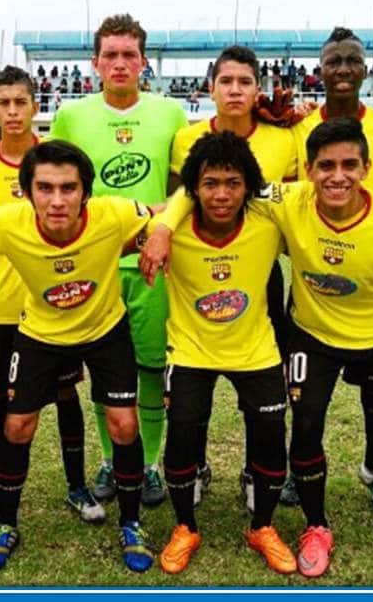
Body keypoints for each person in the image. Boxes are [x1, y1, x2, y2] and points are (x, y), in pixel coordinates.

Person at [143, 117, 373, 576]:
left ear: (367, 167)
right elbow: (194, 188)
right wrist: (164, 228)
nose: (338, 176)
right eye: (326, 166)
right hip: (314, 336)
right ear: (308, 170)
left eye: (350, 165)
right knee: (306, 425)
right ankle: (315, 526)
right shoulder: (286, 200)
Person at [0, 140, 155, 573]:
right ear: (27, 192)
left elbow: (165, 210)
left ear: (85, 192)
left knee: (124, 424)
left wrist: (158, 234)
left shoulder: (114, 213)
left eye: (68, 188)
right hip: (40, 332)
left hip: (106, 328)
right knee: (17, 425)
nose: (57, 200)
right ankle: (7, 524)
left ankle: (131, 522)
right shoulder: (6, 223)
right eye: (45, 188)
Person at [49, 13, 188, 509]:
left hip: (151, 265)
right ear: (95, 62)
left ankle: (148, 462)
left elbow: (185, 183)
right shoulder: (72, 116)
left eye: (130, 54)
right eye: (111, 54)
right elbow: (52, 181)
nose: (121, 63)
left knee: (151, 367)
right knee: (104, 370)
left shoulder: (170, 114)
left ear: (144, 61)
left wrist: (162, 227)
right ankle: (110, 459)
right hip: (97, 267)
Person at [0, 65, 100, 527]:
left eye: (22, 102)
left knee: (64, 396)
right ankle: (1, 492)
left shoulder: (56, 162)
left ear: (35, 106)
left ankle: (77, 487)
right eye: (5, 103)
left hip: (53, 306)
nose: (14, 111)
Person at [156, 131, 294, 576]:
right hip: (192, 349)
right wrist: (159, 228)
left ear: (248, 185)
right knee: (180, 431)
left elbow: (314, 201)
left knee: (272, 433)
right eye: (210, 183)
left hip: (255, 348)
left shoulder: (269, 222)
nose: (221, 194)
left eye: (232, 183)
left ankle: (263, 526)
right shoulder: (170, 226)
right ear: (193, 187)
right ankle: (185, 526)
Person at [287, 27, 373, 515]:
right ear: (318, 69)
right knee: (307, 396)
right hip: (314, 291)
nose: (341, 69)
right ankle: (302, 470)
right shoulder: (297, 129)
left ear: (365, 67)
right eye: (332, 61)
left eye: (351, 60)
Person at [169, 45, 296, 511]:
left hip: (258, 268)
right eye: (227, 82)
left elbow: (295, 201)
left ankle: (253, 471)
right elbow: (180, 196)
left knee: (262, 375)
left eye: (245, 82)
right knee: (193, 374)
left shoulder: (285, 137)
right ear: (211, 88)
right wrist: (163, 229)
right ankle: (195, 465)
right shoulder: (185, 140)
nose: (236, 90)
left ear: (257, 89)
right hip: (198, 265)